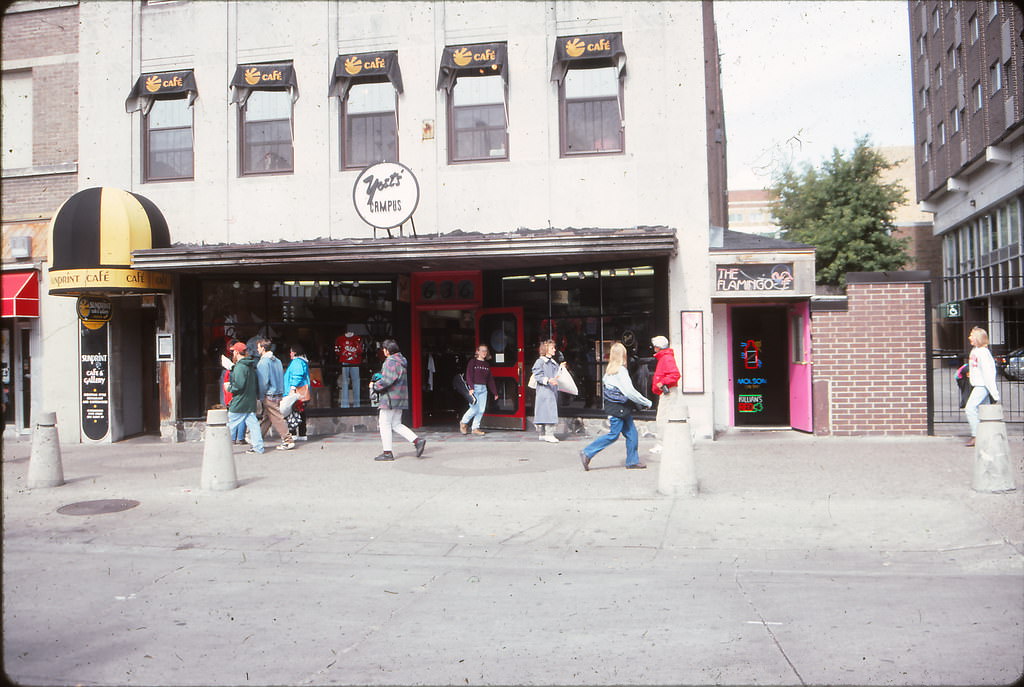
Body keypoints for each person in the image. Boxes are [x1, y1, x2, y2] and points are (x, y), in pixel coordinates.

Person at [579, 341, 653, 470]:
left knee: (632, 434)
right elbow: (629, 392)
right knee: (614, 435)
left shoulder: (608, 372)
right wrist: (646, 402)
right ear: (623, 355)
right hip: (620, 408)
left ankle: (632, 461)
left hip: (617, 408)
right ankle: (587, 452)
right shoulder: (621, 371)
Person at [369, 339, 426, 461]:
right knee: (396, 424)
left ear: (387, 350)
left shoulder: (390, 362)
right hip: (400, 397)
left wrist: (374, 386)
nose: (383, 352)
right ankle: (417, 441)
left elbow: (387, 380)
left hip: (389, 398)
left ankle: (387, 453)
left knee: (384, 424)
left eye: (384, 349)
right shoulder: (401, 361)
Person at [964, 326, 1001, 447]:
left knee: (970, 408)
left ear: (978, 338)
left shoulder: (984, 353)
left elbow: (989, 372)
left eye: (972, 335)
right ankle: (988, 436)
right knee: (984, 411)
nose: (969, 337)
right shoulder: (975, 351)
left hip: (982, 385)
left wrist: (993, 391)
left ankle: (976, 436)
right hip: (977, 384)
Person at [256, 338, 295, 451]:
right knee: (268, 417)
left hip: (269, 394)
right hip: (278, 393)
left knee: (277, 418)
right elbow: (281, 378)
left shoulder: (263, 362)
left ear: (263, 348)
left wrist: (261, 396)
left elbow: (263, 382)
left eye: (258, 347)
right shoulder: (277, 360)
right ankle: (257, 438)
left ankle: (288, 440)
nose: (257, 350)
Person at [226, 341, 264, 454]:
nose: (232, 353)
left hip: (240, 402)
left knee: (229, 424)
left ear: (237, 352)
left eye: (233, 351)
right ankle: (258, 447)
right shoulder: (250, 365)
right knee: (254, 425)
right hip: (250, 400)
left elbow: (238, 385)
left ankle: (221, 446)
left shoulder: (240, 367)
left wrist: (229, 387)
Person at [650, 335, 682, 454]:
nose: (654, 349)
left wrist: (662, 382)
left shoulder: (666, 358)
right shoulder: (666, 357)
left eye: (655, 346)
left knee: (662, 418)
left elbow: (675, 375)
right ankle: (669, 442)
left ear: (658, 347)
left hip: (667, 391)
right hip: (667, 391)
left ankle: (662, 444)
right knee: (666, 417)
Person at [460, 344, 499, 435]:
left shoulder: (486, 364)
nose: (484, 352)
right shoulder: (472, 362)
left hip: (483, 388)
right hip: (474, 388)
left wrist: (495, 392)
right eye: (482, 350)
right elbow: (468, 375)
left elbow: (490, 379)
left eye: (485, 351)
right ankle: (463, 422)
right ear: (477, 351)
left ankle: (475, 428)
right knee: (474, 408)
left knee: (481, 409)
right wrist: (471, 387)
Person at [532, 339, 564, 442]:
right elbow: (537, 374)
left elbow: (558, 375)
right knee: (548, 410)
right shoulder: (540, 362)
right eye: (552, 348)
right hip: (544, 390)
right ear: (546, 349)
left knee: (545, 410)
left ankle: (543, 433)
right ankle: (548, 434)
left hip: (551, 389)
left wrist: (562, 368)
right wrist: (548, 380)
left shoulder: (553, 362)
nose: (554, 350)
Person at [283, 344, 311, 440]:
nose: (290, 353)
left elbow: (297, 375)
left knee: (292, 413)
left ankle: (294, 433)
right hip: (300, 392)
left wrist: (292, 388)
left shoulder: (297, 362)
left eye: (291, 351)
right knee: (300, 412)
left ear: (295, 352)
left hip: (295, 392)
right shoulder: (302, 361)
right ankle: (302, 433)